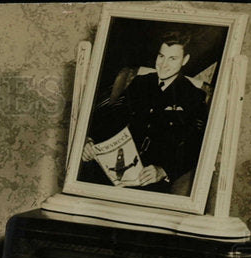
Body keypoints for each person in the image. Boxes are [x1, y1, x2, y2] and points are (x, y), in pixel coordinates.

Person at [81, 31, 208, 194]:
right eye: (161, 56)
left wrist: (164, 171)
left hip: (150, 180)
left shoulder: (193, 96)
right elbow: (112, 116)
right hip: (114, 168)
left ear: (185, 60)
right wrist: (91, 141)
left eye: (173, 59)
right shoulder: (140, 83)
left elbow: (195, 145)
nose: (164, 64)